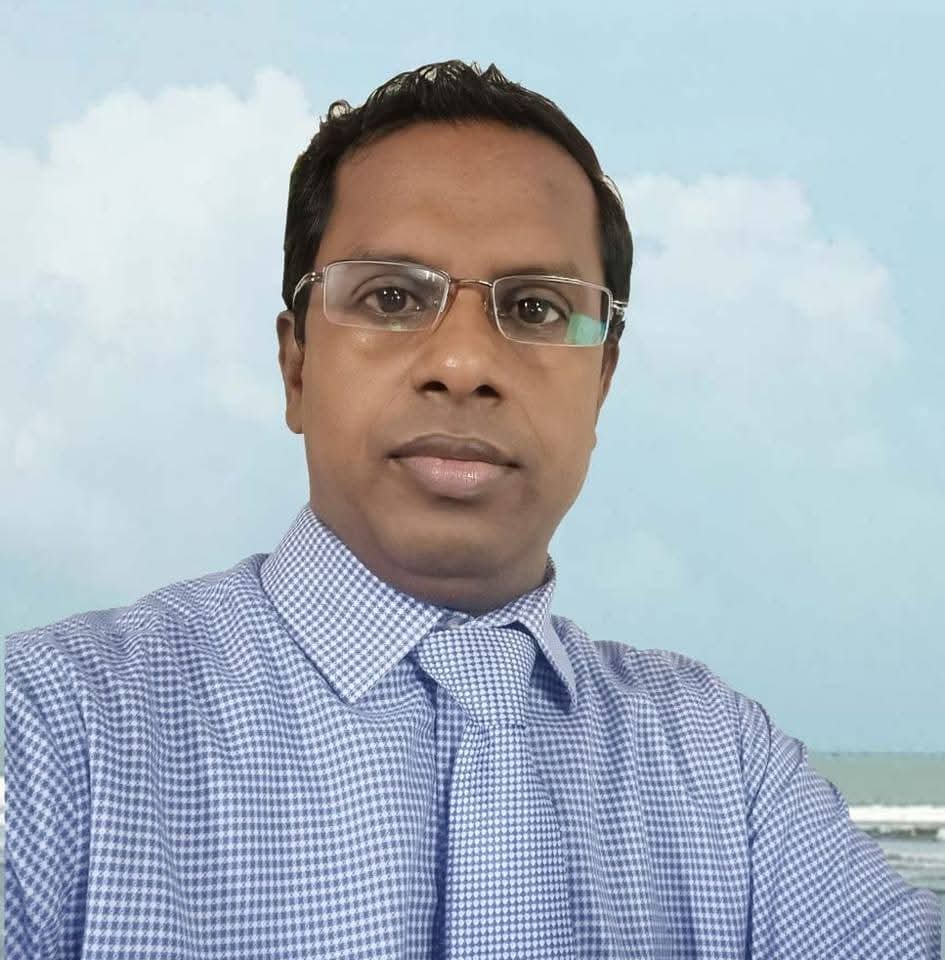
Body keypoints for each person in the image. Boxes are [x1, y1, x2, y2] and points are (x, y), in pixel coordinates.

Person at [4, 60, 939, 960]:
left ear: (601, 381)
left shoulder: (723, 768)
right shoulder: (52, 731)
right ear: (296, 366)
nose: (462, 364)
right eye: (390, 296)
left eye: (534, 309)